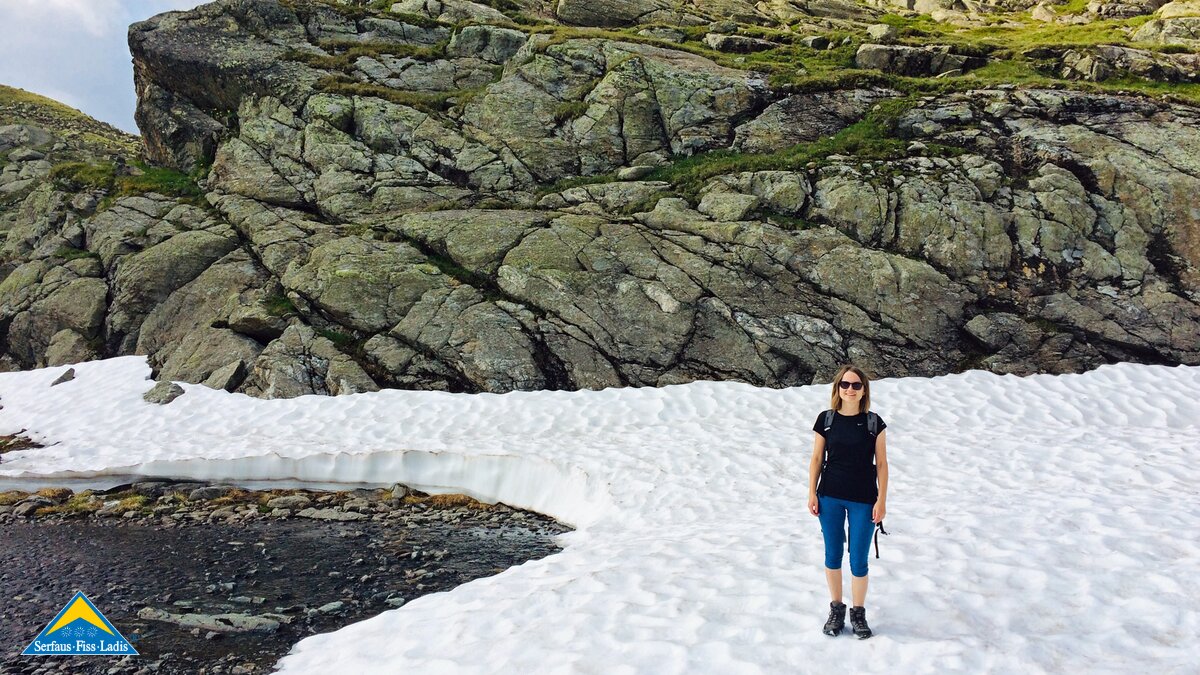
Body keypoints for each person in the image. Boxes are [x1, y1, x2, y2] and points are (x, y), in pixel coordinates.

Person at [807, 364, 888, 639]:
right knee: (833, 554)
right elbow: (817, 459)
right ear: (837, 388)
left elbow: (882, 466)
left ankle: (859, 612)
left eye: (855, 385)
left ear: (863, 389)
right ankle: (836, 609)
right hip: (829, 495)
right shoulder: (826, 419)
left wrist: (882, 501)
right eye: (845, 384)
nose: (850, 389)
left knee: (859, 559)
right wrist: (811, 493)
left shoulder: (873, 423)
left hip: (864, 499)